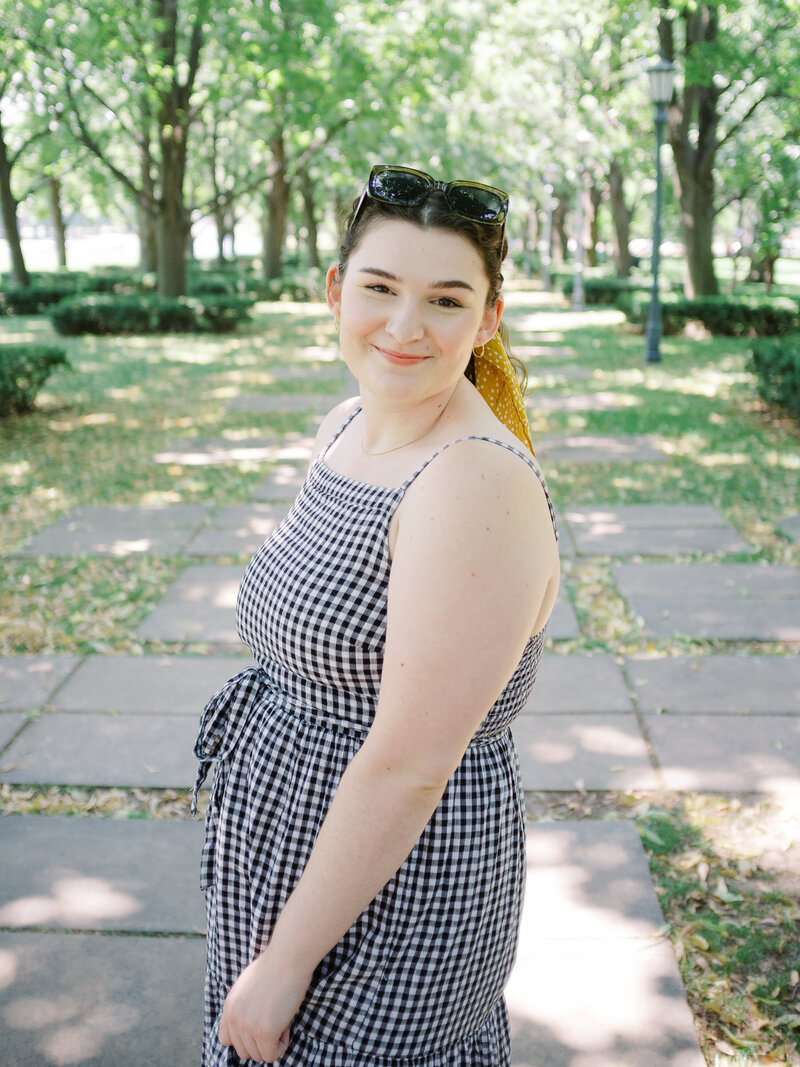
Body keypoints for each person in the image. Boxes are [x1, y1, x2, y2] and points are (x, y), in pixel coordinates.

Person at [192, 163, 560, 1067]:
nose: (405, 326)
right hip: (289, 848)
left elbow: (410, 765)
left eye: (445, 299)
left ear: (488, 319)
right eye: (381, 288)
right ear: (336, 290)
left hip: (395, 882)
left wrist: (285, 963)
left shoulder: (472, 480)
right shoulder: (348, 423)